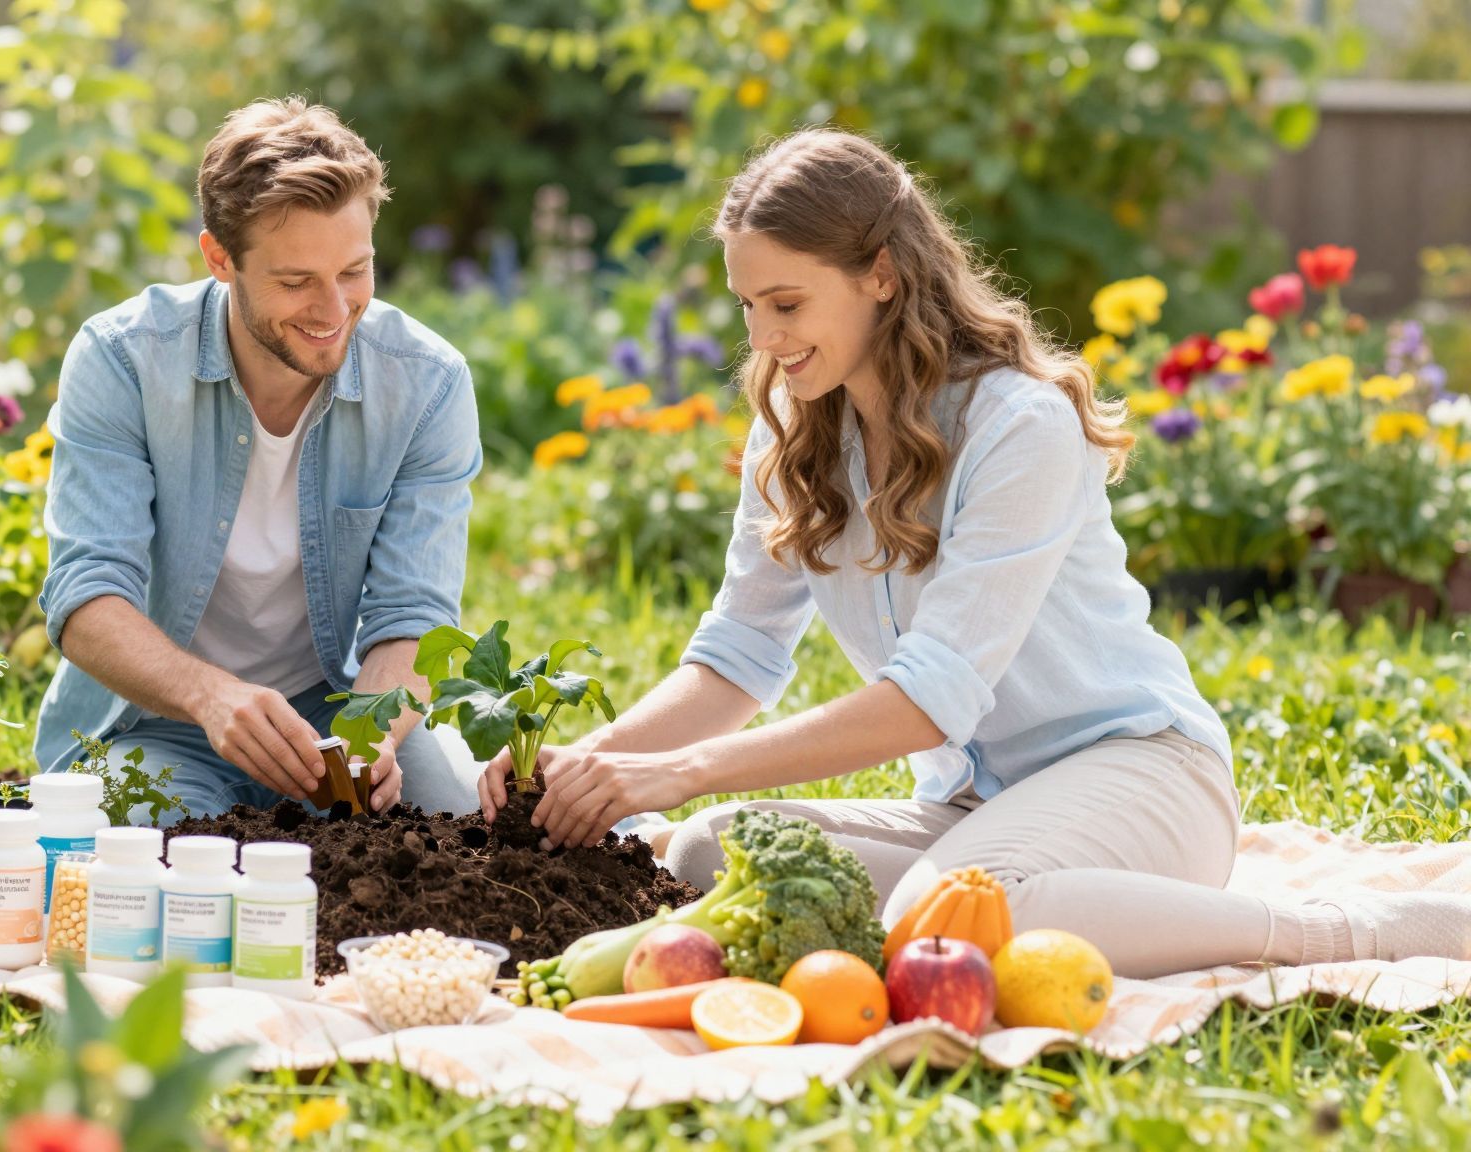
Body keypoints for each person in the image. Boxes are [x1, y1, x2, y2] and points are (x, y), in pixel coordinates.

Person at [479, 128, 1471, 978]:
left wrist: (682, 768)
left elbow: (930, 697)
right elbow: (735, 659)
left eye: (785, 303)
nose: (764, 337)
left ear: (880, 274)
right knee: (710, 852)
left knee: (950, 916)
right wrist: (584, 763)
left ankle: (1345, 931)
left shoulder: (1017, 425)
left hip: (1137, 776)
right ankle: (1001, 889)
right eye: (746, 307)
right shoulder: (794, 422)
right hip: (971, 805)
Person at [36, 97, 486, 821]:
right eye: (294, 281)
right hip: (156, 727)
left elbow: (415, 615)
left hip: (335, 720)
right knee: (159, 874)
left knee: (469, 842)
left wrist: (369, 741)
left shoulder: (427, 383)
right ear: (220, 258)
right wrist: (212, 697)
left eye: (354, 270)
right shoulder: (123, 360)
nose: (333, 308)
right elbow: (87, 598)